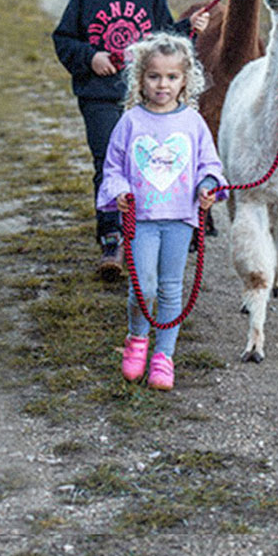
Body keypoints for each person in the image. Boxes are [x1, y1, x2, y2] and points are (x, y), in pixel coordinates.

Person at [53, 0, 209, 280]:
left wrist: (190, 28)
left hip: (141, 99)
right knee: (109, 161)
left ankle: (146, 230)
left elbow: (164, 37)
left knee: (147, 163)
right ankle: (111, 237)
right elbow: (63, 39)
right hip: (100, 96)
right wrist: (91, 57)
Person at [96, 32, 225, 390]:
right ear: (141, 79)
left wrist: (207, 185)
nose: (162, 84)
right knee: (143, 288)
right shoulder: (131, 122)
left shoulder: (193, 123)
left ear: (185, 80)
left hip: (179, 220)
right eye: (154, 76)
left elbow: (208, 163)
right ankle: (137, 339)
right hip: (141, 222)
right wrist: (121, 192)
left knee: (170, 288)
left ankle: (163, 356)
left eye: (171, 77)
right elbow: (114, 167)